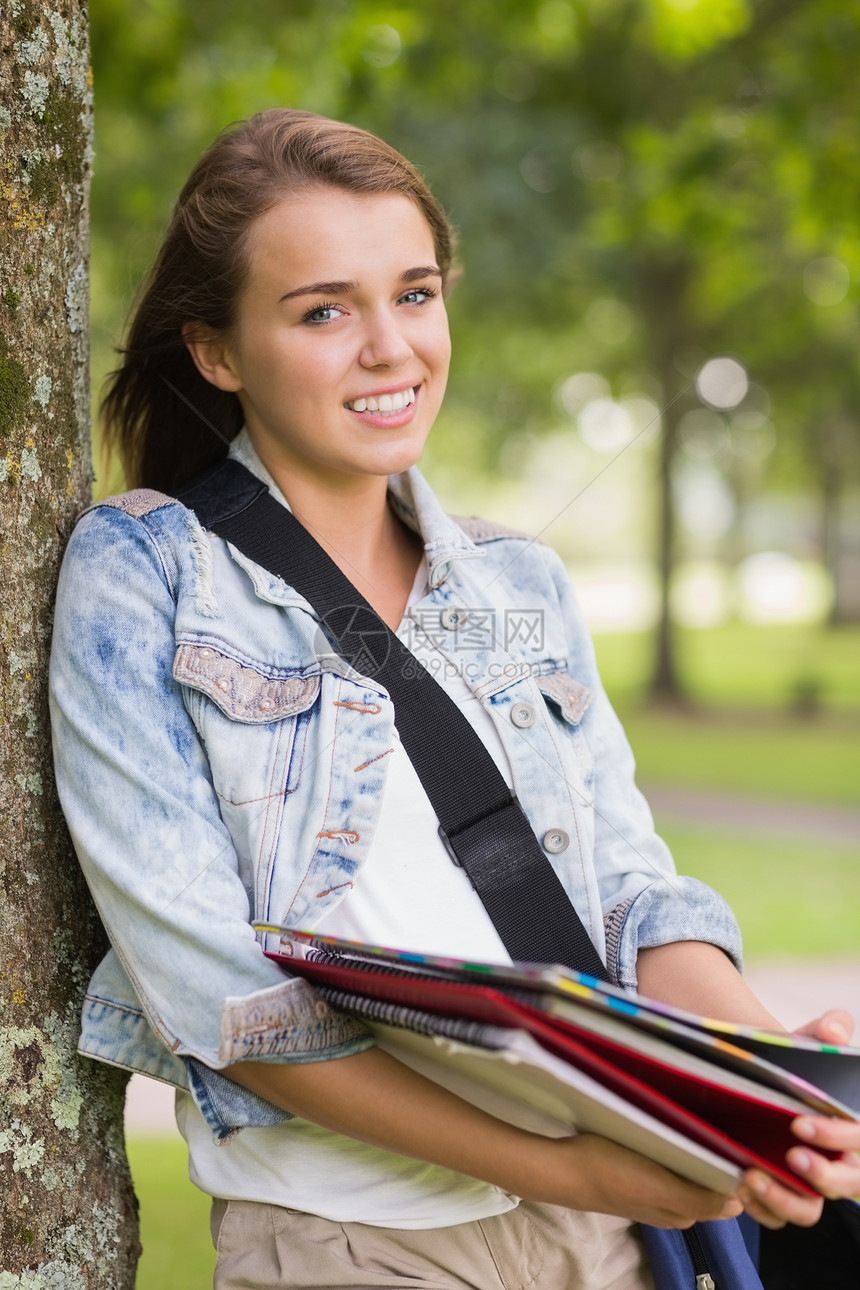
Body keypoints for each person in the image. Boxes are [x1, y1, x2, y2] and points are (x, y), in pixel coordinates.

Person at [49, 108, 860, 1290]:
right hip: (352, 1243)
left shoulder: (513, 581)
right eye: (323, 310)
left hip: (616, 1239)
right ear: (217, 352)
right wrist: (573, 1168)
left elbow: (628, 899)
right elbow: (221, 1000)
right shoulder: (146, 573)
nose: (390, 347)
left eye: (413, 294)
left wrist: (760, 1071)